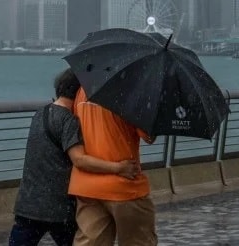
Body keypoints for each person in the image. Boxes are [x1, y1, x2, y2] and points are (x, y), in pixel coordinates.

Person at [10, 69, 141, 246]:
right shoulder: (68, 121)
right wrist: (119, 168)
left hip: (28, 205)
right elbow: (79, 160)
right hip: (58, 209)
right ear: (79, 93)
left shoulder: (40, 114)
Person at [68, 85, 157, 246]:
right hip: (124, 187)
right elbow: (148, 136)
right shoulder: (130, 92)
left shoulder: (84, 90)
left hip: (87, 188)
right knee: (139, 241)